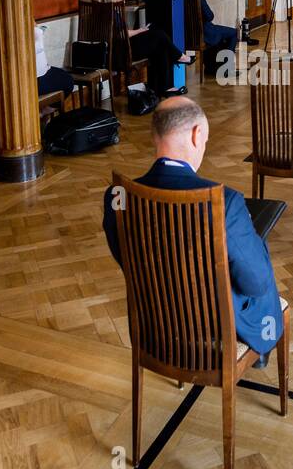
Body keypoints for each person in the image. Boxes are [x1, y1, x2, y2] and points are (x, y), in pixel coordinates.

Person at [102, 98, 283, 366]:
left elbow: (126, 259)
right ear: (197, 135)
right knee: (261, 271)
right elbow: (254, 283)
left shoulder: (118, 196)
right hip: (213, 328)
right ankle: (256, 353)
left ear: (155, 135)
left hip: (155, 323)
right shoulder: (225, 202)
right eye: (206, 141)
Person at [101, 0, 194, 97]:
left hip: (119, 49)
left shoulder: (103, 9)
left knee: (160, 46)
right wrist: (140, 30)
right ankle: (179, 57)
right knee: (159, 35)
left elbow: (119, 33)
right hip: (121, 53)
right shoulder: (112, 11)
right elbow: (121, 34)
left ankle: (165, 87)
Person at [176, 0, 237, 69]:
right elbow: (209, 16)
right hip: (203, 34)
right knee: (233, 32)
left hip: (184, 36)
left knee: (218, 32)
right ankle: (225, 68)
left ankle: (211, 67)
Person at [34, 23, 74, 96]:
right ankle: (46, 107)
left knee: (67, 77)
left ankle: (47, 107)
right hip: (37, 79)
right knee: (68, 81)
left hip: (43, 72)